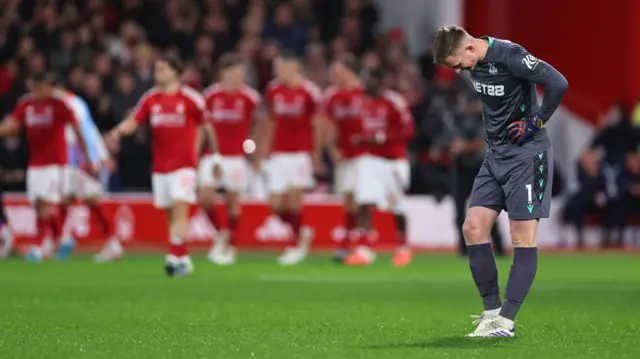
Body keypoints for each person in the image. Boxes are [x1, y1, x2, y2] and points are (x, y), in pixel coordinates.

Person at [432, 25, 568, 337]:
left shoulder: (511, 55)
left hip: (526, 156)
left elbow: (558, 83)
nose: (457, 70)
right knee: (473, 227)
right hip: (495, 155)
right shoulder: (475, 63)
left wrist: (535, 122)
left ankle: (506, 321)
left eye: (456, 63)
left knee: (522, 236)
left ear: (469, 48)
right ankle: (490, 314)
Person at [108, 55, 216, 277]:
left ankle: (173, 254)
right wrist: (118, 131)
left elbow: (207, 126)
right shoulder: (151, 98)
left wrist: (215, 155)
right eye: (156, 70)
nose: (157, 74)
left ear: (176, 73)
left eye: (162, 70)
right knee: (170, 213)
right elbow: (134, 120)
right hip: (160, 167)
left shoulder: (191, 99)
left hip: (185, 164)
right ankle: (183, 258)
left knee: (180, 205)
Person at [0, 72, 93, 262]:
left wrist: (86, 155)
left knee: (46, 202)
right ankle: (63, 238)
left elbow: (77, 130)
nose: (43, 90)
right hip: (35, 163)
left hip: (56, 163)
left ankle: (42, 245)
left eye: (46, 87)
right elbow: (13, 125)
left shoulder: (59, 105)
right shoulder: (26, 104)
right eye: (39, 87)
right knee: (37, 203)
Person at [342, 67, 415, 266]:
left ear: (380, 83)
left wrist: (377, 139)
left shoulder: (394, 102)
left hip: (392, 161)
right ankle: (364, 250)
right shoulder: (364, 104)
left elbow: (408, 131)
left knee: (397, 205)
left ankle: (402, 247)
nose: (365, 86)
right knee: (364, 201)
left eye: (369, 82)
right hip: (370, 159)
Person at [260, 50, 323, 265]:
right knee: (275, 204)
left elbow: (316, 125)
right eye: (277, 69)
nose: (279, 72)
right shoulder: (273, 90)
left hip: (299, 154)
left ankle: (295, 245)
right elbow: (269, 122)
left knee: (294, 201)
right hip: (278, 154)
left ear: (295, 68)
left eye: (283, 68)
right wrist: (262, 152)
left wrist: (316, 156)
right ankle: (302, 231)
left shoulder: (309, 92)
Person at [202, 53, 261, 265]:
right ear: (223, 74)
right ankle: (222, 233)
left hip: (237, 156)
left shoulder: (250, 98)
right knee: (205, 196)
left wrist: (253, 151)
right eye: (235, 73)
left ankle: (232, 245)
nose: (239, 77)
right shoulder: (210, 96)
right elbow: (203, 128)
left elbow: (257, 127)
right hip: (214, 155)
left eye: (241, 73)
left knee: (233, 202)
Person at [53, 80, 122, 262]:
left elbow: (85, 131)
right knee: (66, 198)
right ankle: (63, 240)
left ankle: (112, 244)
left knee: (90, 199)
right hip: (73, 160)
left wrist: (95, 158)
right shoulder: (75, 103)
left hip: (78, 161)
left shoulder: (69, 104)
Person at [323, 53, 367, 262]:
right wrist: (332, 149)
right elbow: (329, 125)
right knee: (348, 200)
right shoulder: (332, 97)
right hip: (345, 155)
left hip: (365, 155)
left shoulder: (365, 93)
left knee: (362, 199)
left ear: (349, 72)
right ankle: (352, 242)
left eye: (337, 72)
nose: (334, 77)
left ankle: (360, 243)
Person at [450, 94, 506, 256]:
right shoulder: (457, 120)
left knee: (487, 209)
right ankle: (463, 248)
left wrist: (463, 147)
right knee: (459, 211)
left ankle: (499, 246)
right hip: (461, 168)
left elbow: (484, 142)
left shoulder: (485, 119)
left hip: (481, 168)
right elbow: (451, 141)